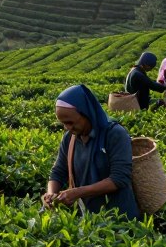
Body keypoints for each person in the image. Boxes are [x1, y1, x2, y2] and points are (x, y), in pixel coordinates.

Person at [43, 84, 140, 220]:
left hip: (119, 218)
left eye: (70, 122)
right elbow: (58, 171)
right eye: (63, 123)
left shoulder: (114, 134)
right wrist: (50, 194)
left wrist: (78, 192)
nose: (67, 128)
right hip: (89, 218)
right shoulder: (70, 138)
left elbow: (119, 179)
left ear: (86, 113)